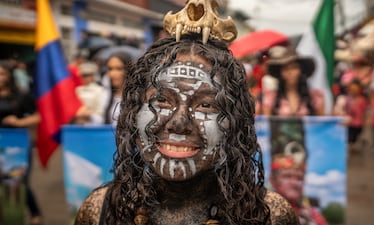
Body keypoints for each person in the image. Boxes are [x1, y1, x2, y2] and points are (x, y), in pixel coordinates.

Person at [74, 1, 299, 224]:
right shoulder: (99, 211)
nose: (179, 122)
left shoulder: (270, 216)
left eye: (205, 105)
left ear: (234, 121)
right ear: (133, 113)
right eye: (161, 100)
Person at [0, 61, 42, 224]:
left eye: (2, 74)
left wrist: (18, 123)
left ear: (9, 76)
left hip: (16, 145)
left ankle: (34, 213)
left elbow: (38, 117)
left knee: (17, 180)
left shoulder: (21, 96)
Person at [269, 118, 329, 225]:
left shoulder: (312, 214)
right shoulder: (263, 212)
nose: (295, 183)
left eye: (299, 178)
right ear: (273, 180)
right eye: (287, 176)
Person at [261, 46, 325, 116]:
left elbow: (322, 123)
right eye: (286, 69)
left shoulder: (315, 96)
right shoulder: (271, 97)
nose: (290, 72)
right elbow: (267, 123)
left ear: (301, 70)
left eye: (294, 67)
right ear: (280, 72)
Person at [333, 80, 368, 152]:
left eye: (355, 89)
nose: (353, 91)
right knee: (350, 135)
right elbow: (344, 108)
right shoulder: (348, 98)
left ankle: (354, 145)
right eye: (352, 89)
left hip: (358, 122)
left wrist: (365, 121)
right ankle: (350, 145)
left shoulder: (362, 100)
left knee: (356, 134)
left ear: (360, 90)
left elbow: (364, 112)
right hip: (350, 122)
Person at [102, 51, 132, 125]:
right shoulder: (104, 96)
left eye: (119, 69)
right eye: (110, 69)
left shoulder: (139, 97)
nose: (113, 74)